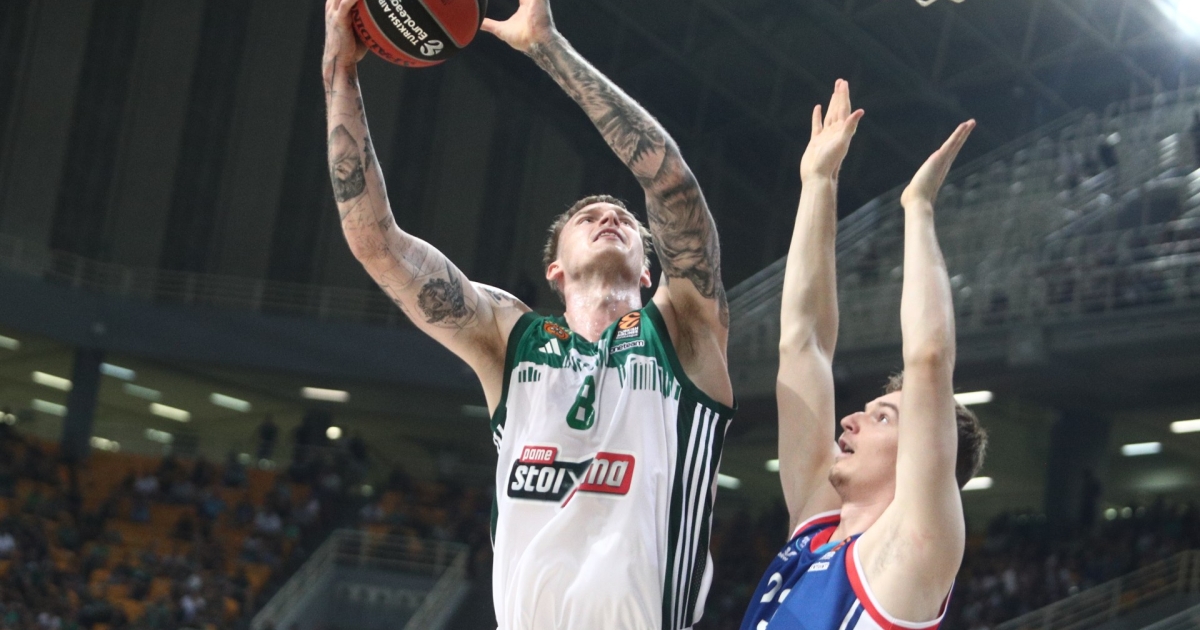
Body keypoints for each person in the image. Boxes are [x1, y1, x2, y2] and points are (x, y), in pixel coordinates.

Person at [322, 0, 734, 628]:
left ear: (649, 274)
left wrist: (548, 48)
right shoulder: (510, 338)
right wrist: (340, 73)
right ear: (555, 271)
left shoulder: (682, 331)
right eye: (587, 216)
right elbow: (377, 244)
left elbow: (670, 184)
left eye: (625, 220)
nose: (610, 216)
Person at [740, 82, 988, 630]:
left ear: (920, 452)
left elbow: (928, 358)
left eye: (883, 418)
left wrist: (918, 209)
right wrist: (818, 182)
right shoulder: (816, 526)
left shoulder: (911, 555)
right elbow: (802, 341)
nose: (850, 419)